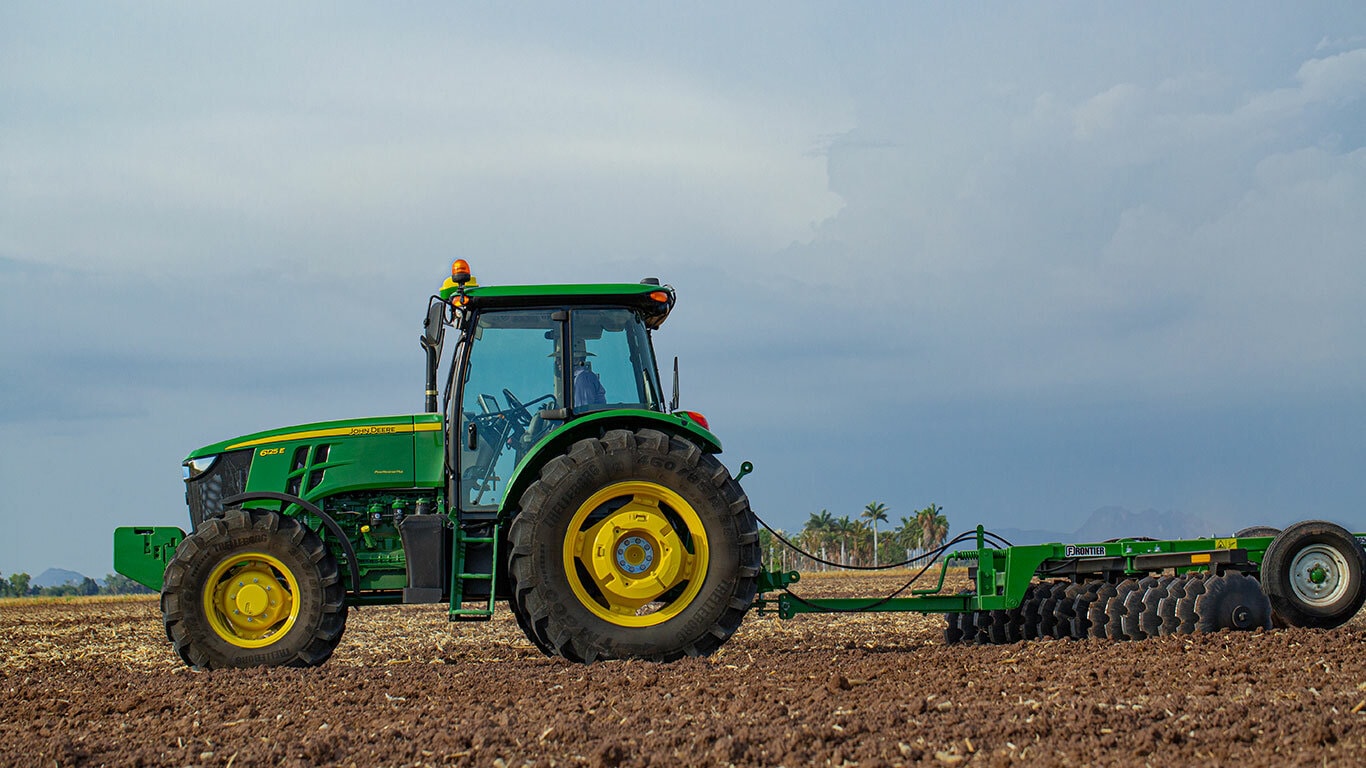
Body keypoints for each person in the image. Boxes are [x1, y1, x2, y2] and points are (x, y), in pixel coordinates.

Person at [571, 341, 607, 407]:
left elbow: (582, 411)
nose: (557, 362)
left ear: (576, 360)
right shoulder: (578, 377)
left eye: (560, 358)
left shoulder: (582, 378)